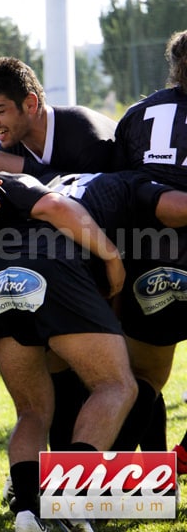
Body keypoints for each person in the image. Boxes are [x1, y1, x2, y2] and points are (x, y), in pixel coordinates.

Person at [0, 160, 187, 532]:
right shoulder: (132, 183)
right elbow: (175, 207)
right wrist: (113, 258)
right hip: (54, 265)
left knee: (31, 411)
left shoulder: (41, 182)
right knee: (116, 385)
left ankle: (27, 511)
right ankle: (70, 499)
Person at [113, 28, 187, 464]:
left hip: (149, 260)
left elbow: (118, 189)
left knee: (143, 379)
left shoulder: (138, 114)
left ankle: (109, 477)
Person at [0, 56, 117, 179]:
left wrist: (26, 169)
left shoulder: (83, 134)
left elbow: (98, 196)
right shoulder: (13, 141)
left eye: (0, 111)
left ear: (30, 104)